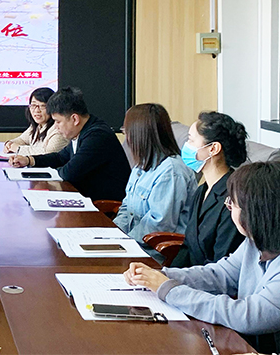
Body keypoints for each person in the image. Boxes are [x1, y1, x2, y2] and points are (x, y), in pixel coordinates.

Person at [124, 162, 280, 353]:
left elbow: (246, 316)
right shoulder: (254, 242)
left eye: (233, 204)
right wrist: (161, 276)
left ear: (256, 212)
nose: (229, 207)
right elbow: (220, 274)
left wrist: (169, 289)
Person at [12, 87, 130, 201]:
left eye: (58, 122)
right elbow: (60, 157)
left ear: (75, 119)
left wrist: (52, 171)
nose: (56, 127)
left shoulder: (97, 136)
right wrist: (29, 160)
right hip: (85, 196)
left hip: (103, 204)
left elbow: (69, 173)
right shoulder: (82, 131)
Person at [170, 111, 248, 267]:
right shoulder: (201, 191)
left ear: (213, 149)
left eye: (191, 140)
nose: (186, 146)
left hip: (212, 279)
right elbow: (188, 247)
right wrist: (165, 274)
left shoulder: (234, 200)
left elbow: (222, 264)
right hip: (192, 276)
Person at [113, 103, 197, 244]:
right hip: (134, 242)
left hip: (154, 250)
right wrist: (111, 234)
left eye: (126, 131)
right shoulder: (141, 165)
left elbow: (158, 226)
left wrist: (124, 242)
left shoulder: (171, 171)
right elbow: (127, 209)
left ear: (139, 134)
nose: (126, 137)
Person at [4, 87, 69, 158]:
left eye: (43, 106)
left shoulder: (59, 129)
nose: (37, 110)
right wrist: (9, 144)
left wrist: (18, 149)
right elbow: (22, 140)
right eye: (33, 105)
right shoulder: (37, 126)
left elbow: (48, 154)